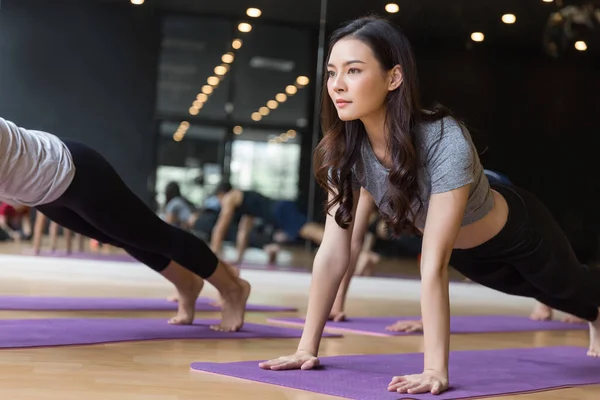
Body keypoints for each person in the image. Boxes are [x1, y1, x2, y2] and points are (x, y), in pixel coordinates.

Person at [258, 16, 600, 396]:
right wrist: (307, 347)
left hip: (521, 233)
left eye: (353, 70)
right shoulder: (345, 152)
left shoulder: (444, 139)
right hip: (468, 256)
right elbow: (333, 251)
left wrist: (435, 369)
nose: (337, 84)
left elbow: (432, 262)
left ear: (394, 78)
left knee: (571, 287)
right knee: (541, 292)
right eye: (332, 72)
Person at [0, 116, 250, 332]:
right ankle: (187, 283)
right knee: (120, 237)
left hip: (70, 171)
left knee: (157, 235)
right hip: (42, 193)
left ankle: (232, 289)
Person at [210, 182, 324, 264]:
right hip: (280, 209)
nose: (220, 203)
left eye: (219, 199)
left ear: (221, 194)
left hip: (279, 210)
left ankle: (335, 243)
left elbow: (221, 227)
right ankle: (333, 241)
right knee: (307, 229)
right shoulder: (246, 205)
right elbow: (243, 232)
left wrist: (212, 257)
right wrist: (238, 259)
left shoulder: (230, 197)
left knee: (307, 230)